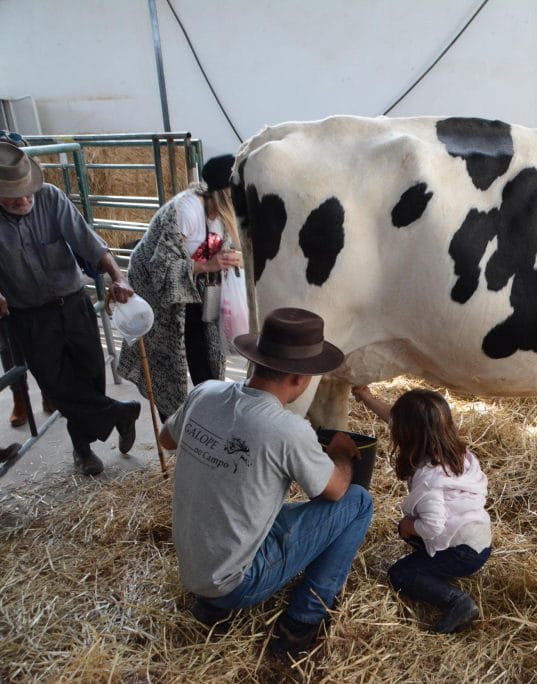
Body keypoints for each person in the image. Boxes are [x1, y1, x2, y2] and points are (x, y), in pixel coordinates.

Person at [159, 307, 373, 659]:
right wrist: (340, 456)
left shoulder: (205, 392)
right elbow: (335, 490)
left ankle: (211, 606)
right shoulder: (287, 430)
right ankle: (302, 621)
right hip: (236, 583)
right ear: (299, 378)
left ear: (256, 359)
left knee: (262, 502)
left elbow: (166, 439)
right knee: (359, 502)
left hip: (195, 570)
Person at [0, 142, 140, 477]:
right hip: (30, 314)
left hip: (73, 302)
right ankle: (116, 415)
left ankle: (86, 445)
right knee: (56, 385)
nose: (24, 200)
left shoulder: (50, 197)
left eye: (27, 192)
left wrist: (118, 277)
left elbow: (88, 242)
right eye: (13, 196)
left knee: (91, 375)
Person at [352, 385, 492, 634]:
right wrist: (367, 397)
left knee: (400, 574)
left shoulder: (429, 479)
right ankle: (439, 567)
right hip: (479, 541)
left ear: (406, 436)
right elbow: (395, 419)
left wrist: (407, 525)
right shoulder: (458, 454)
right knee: (413, 529)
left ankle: (458, 602)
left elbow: (433, 526)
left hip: (461, 552)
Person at [117, 154, 243, 419]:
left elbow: (212, 250)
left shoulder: (220, 215)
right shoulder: (187, 210)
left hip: (191, 285)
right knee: (166, 359)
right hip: (154, 288)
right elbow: (162, 267)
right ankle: (172, 422)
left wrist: (229, 259)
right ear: (225, 192)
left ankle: (210, 410)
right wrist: (209, 265)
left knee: (204, 346)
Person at [0, 131, 54, 427]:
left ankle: (48, 390)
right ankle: (19, 396)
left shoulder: (45, 197)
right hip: (6, 291)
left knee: (45, 344)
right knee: (9, 346)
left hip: (37, 287)